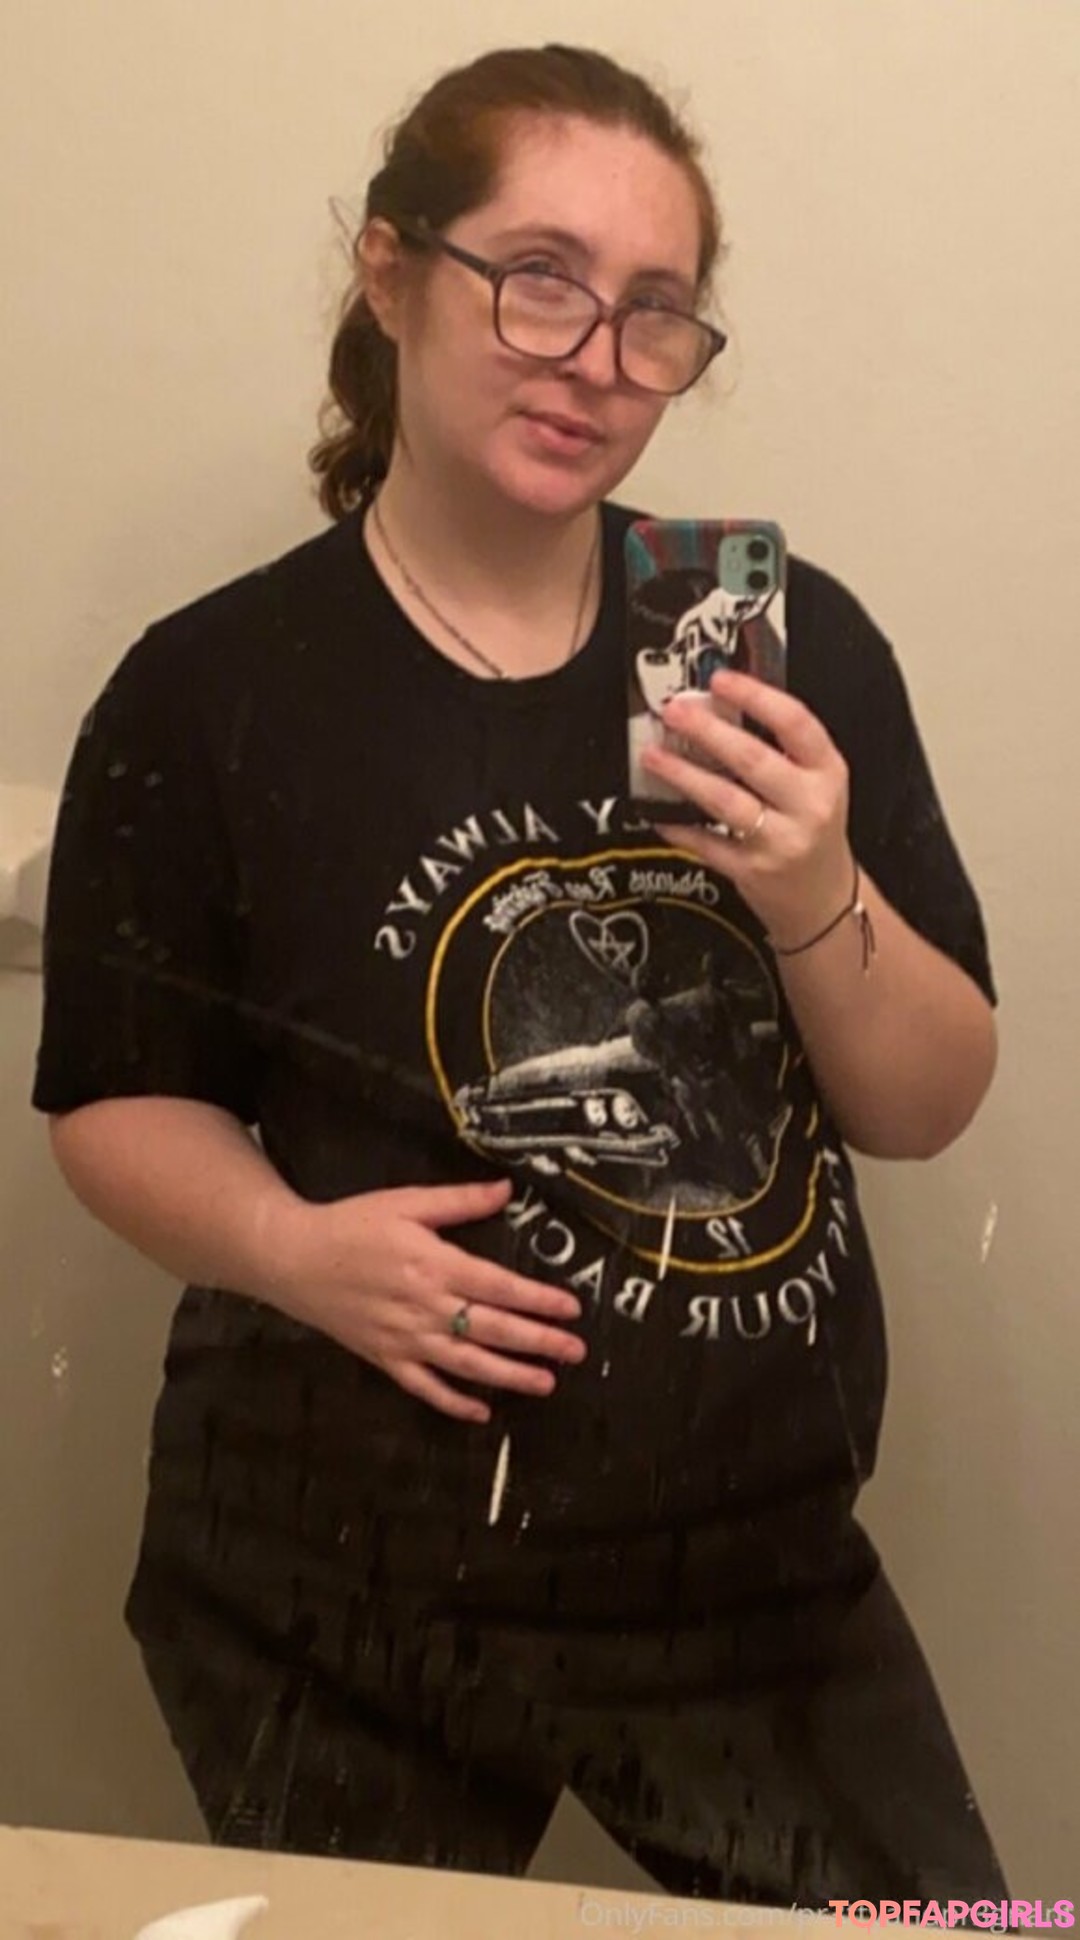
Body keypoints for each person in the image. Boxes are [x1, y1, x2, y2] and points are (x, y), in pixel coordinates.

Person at [33, 43, 1008, 1908]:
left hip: (748, 1576)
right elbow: (111, 1097)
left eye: (657, 310)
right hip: (334, 1578)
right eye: (539, 277)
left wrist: (814, 888)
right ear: (392, 273)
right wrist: (290, 1249)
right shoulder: (210, 690)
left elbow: (926, 1103)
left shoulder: (779, 645)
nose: (597, 357)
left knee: (969, 1928)